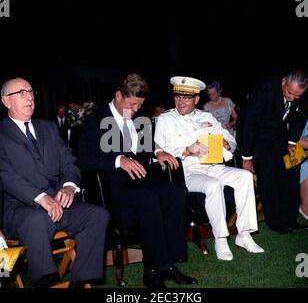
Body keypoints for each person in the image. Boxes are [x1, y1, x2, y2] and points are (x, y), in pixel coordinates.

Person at [79, 73, 197, 288]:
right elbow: (85, 159)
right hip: (112, 185)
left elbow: (146, 147)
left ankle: (168, 262)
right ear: (118, 95)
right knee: (149, 198)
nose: (135, 110)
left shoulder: (139, 119)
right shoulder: (95, 119)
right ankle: (152, 270)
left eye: (139, 106)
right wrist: (118, 160)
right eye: (132, 104)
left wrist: (158, 152)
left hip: (140, 179)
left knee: (176, 192)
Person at [0, 77, 110, 288]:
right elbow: (6, 175)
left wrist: (69, 186)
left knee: (98, 215)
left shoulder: (48, 127)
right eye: (21, 93)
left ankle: (81, 280)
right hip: (20, 209)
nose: (29, 97)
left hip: (57, 204)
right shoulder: (2, 133)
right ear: (6, 101)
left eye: (31, 92)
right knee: (36, 220)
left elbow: (69, 162)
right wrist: (41, 198)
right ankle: (45, 281)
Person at [154, 76, 264, 262]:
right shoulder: (166, 119)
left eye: (186, 98)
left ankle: (244, 235)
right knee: (213, 185)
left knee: (245, 176)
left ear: (196, 99)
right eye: (177, 97)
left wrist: (227, 144)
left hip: (213, 165)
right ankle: (220, 239)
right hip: (188, 171)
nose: (180, 102)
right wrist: (187, 150)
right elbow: (160, 147)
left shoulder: (207, 117)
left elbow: (229, 138)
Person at [240, 70, 308, 233]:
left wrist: (292, 142)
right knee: (269, 170)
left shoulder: (301, 92)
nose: (293, 99)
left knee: (293, 167)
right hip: (257, 135)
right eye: (290, 94)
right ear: (283, 81)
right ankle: (275, 222)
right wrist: (246, 157)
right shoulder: (265, 91)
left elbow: (301, 116)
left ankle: (290, 218)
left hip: (279, 134)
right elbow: (250, 123)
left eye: (297, 96)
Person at [299, 119, 308, 220]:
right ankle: (305, 208)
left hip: (304, 152)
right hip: (290, 152)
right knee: (306, 167)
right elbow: (294, 140)